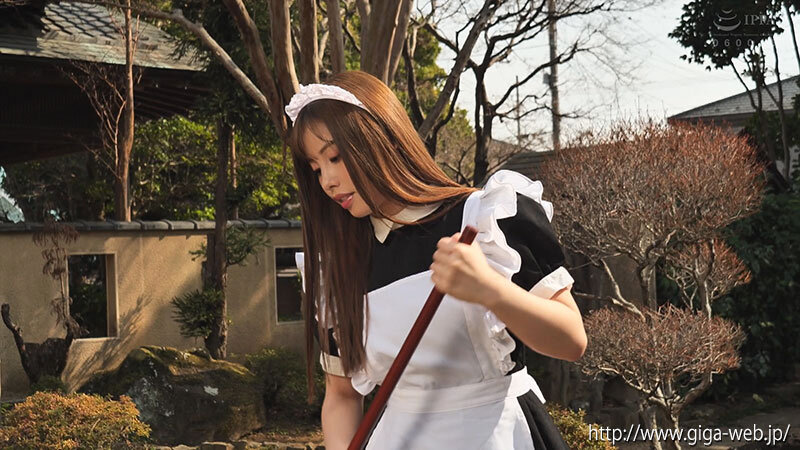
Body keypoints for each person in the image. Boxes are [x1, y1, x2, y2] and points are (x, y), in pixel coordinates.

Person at [287, 70, 586, 450]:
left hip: (497, 434)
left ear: (381, 140)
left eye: (335, 157)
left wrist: (491, 290)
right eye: (316, 168)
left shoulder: (484, 218)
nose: (327, 181)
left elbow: (571, 340)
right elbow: (341, 395)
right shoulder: (337, 266)